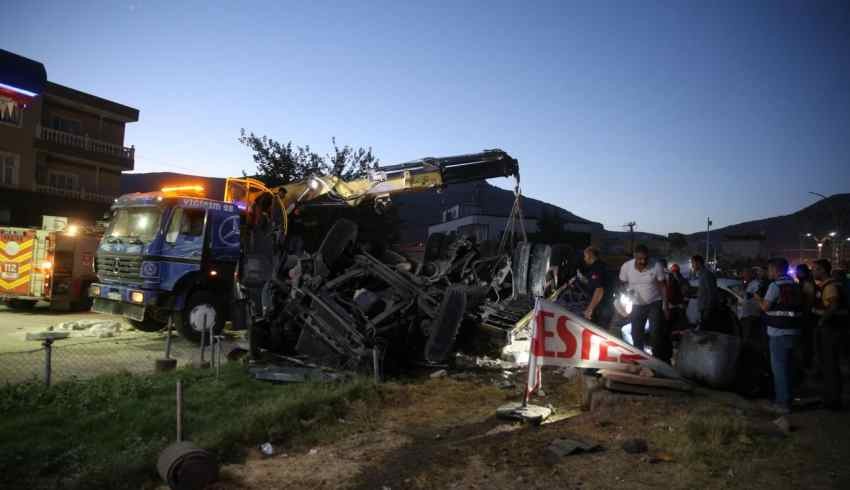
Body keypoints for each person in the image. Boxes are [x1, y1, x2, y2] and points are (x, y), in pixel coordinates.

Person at [755, 257, 805, 415]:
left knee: (779, 369)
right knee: (789, 367)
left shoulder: (775, 286)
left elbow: (764, 307)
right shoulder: (795, 285)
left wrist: (757, 299)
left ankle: (782, 404)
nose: (768, 272)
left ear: (775, 270)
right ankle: (789, 399)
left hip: (778, 333)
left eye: (769, 269)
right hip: (795, 331)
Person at [619, 244, 670, 362]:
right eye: (640, 259)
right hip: (637, 304)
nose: (643, 261)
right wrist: (627, 292)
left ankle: (657, 361)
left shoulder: (656, 266)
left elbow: (663, 286)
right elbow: (621, 284)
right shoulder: (626, 267)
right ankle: (640, 360)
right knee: (636, 332)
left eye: (645, 258)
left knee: (655, 333)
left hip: (654, 303)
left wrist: (665, 306)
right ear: (634, 257)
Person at [812, 259, 848, 410]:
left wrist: (821, 321)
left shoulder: (830, 286)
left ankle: (833, 400)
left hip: (830, 329)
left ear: (823, 270)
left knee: (830, 364)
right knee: (828, 364)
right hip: (830, 328)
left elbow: (832, 307)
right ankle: (830, 397)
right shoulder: (825, 285)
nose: (813, 272)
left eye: (816, 269)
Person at [581, 246, 612, 326]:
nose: (584, 259)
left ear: (590, 254)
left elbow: (599, 289)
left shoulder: (597, 268)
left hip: (601, 308)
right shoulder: (599, 266)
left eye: (585, 256)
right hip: (604, 307)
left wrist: (590, 309)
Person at [795, 264, 817, 370]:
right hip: (805, 316)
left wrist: (805, 315)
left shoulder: (807, 283)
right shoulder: (803, 282)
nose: (797, 273)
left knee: (806, 343)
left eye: (798, 271)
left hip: (807, 317)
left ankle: (807, 365)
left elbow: (809, 301)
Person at [690, 255, 719, 332]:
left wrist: (708, 310)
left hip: (707, 310)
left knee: (707, 333)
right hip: (704, 310)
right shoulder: (702, 275)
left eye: (693, 263)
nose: (692, 265)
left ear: (698, 263)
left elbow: (711, 293)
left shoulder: (706, 275)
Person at [741, 267, 764, 341]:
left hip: (752, 314)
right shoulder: (748, 283)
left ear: (750, 275)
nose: (743, 276)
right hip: (746, 313)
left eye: (745, 274)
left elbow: (758, 296)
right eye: (743, 274)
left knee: (749, 336)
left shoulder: (756, 284)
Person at [665, 263, 689, 333]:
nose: (675, 273)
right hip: (674, 305)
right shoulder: (671, 279)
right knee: (675, 323)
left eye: (675, 272)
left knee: (679, 323)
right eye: (674, 272)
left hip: (678, 305)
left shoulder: (681, 280)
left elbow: (685, 291)